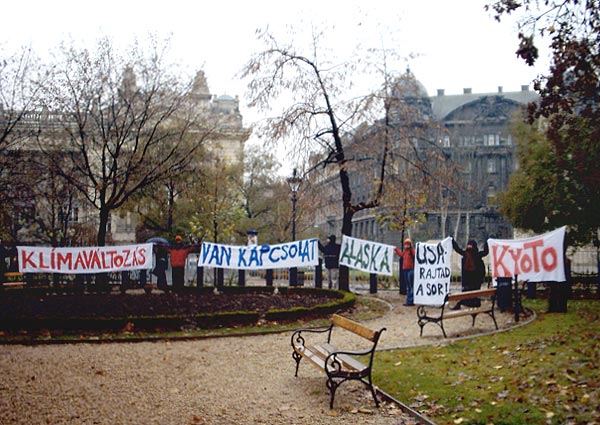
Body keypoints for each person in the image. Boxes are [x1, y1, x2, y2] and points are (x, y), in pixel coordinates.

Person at [451, 238, 489, 309]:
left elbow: (457, 249)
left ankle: (464, 303)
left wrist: (452, 241)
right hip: (476, 280)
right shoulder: (478, 255)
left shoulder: (465, 254)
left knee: (466, 294)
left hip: (467, 280)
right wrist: (487, 242)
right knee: (474, 294)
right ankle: (473, 303)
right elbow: (486, 252)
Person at [395, 238, 416, 306]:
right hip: (405, 270)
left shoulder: (412, 251)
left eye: (407, 244)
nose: (406, 245)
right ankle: (409, 300)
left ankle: (410, 301)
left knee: (411, 286)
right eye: (405, 244)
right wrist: (396, 250)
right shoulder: (405, 252)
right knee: (409, 286)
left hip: (410, 270)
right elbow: (401, 255)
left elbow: (415, 255)